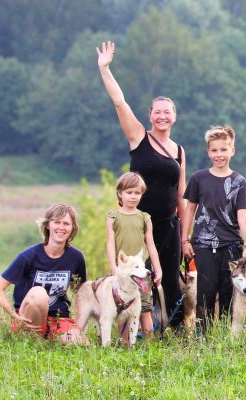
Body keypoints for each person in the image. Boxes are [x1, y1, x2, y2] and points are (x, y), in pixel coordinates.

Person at [98, 41, 186, 330]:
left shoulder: (179, 150)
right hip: (137, 223)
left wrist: (185, 236)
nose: (162, 116)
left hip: (169, 226)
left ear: (174, 116)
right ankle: (131, 332)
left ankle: (175, 332)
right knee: (135, 279)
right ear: (150, 116)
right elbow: (119, 102)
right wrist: (105, 68)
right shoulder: (138, 137)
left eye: (167, 112)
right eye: (157, 111)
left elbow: (181, 195)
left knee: (171, 279)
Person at [180, 126, 246, 328]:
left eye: (223, 149)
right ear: (208, 152)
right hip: (203, 245)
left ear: (232, 151)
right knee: (206, 290)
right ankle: (203, 335)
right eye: (214, 150)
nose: (219, 154)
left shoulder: (239, 182)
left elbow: (242, 214)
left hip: (231, 245)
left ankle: (224, 334)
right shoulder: (198, 179)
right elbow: (190, 210)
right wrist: (185, 239)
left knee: (229, 291)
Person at [0, 204, 88, 345]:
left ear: (72, 228)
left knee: (81, 342)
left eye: (66, 223)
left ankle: (52, 341)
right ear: (48, 225)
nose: (61, 227)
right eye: (57, 222)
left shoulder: (76, 257)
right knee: (39, 294)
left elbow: (80, 292)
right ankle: (32, 340)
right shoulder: (28, 256)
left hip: (58, 319)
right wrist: (13, 314)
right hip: (30, 318)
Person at [107, 172, 164, 340]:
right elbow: (110, 244)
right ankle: (125, 344)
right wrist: (113, 268)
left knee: (145, 307)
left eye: (137, 193)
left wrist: (158, 270)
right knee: (122, 306)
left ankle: (150, 344)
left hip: (140, 271)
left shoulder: (144, 217)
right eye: (129, 192)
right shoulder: (113, 217)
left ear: (142, 194)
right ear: (120, 193)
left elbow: (151, 245)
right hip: (122, 271)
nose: (133, 197)